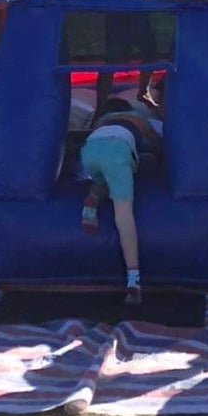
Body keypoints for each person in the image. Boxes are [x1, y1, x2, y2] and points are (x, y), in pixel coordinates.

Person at [79, 85, 164, 309]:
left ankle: (93, 198)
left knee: (102, 178)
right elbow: (156, 143)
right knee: (123, 215)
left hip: (90, 151)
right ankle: (133, 280)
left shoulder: (100, 123)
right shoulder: (136, 117)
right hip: (118, 152)